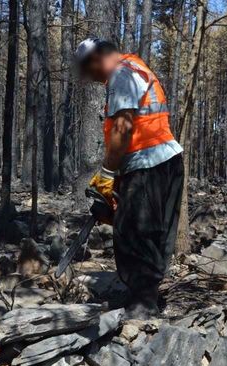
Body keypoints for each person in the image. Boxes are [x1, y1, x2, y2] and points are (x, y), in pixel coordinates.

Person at [74, 38, 184, 319]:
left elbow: (123, 128)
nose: (96, 79)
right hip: (164, 161)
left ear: (98, 59)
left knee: (135, 232)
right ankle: (145, 296)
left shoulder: (121, 73)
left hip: (147, 163)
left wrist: (108, 174)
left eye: (92, 71)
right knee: (150, 230)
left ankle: (142, 304)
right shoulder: (138, 67)